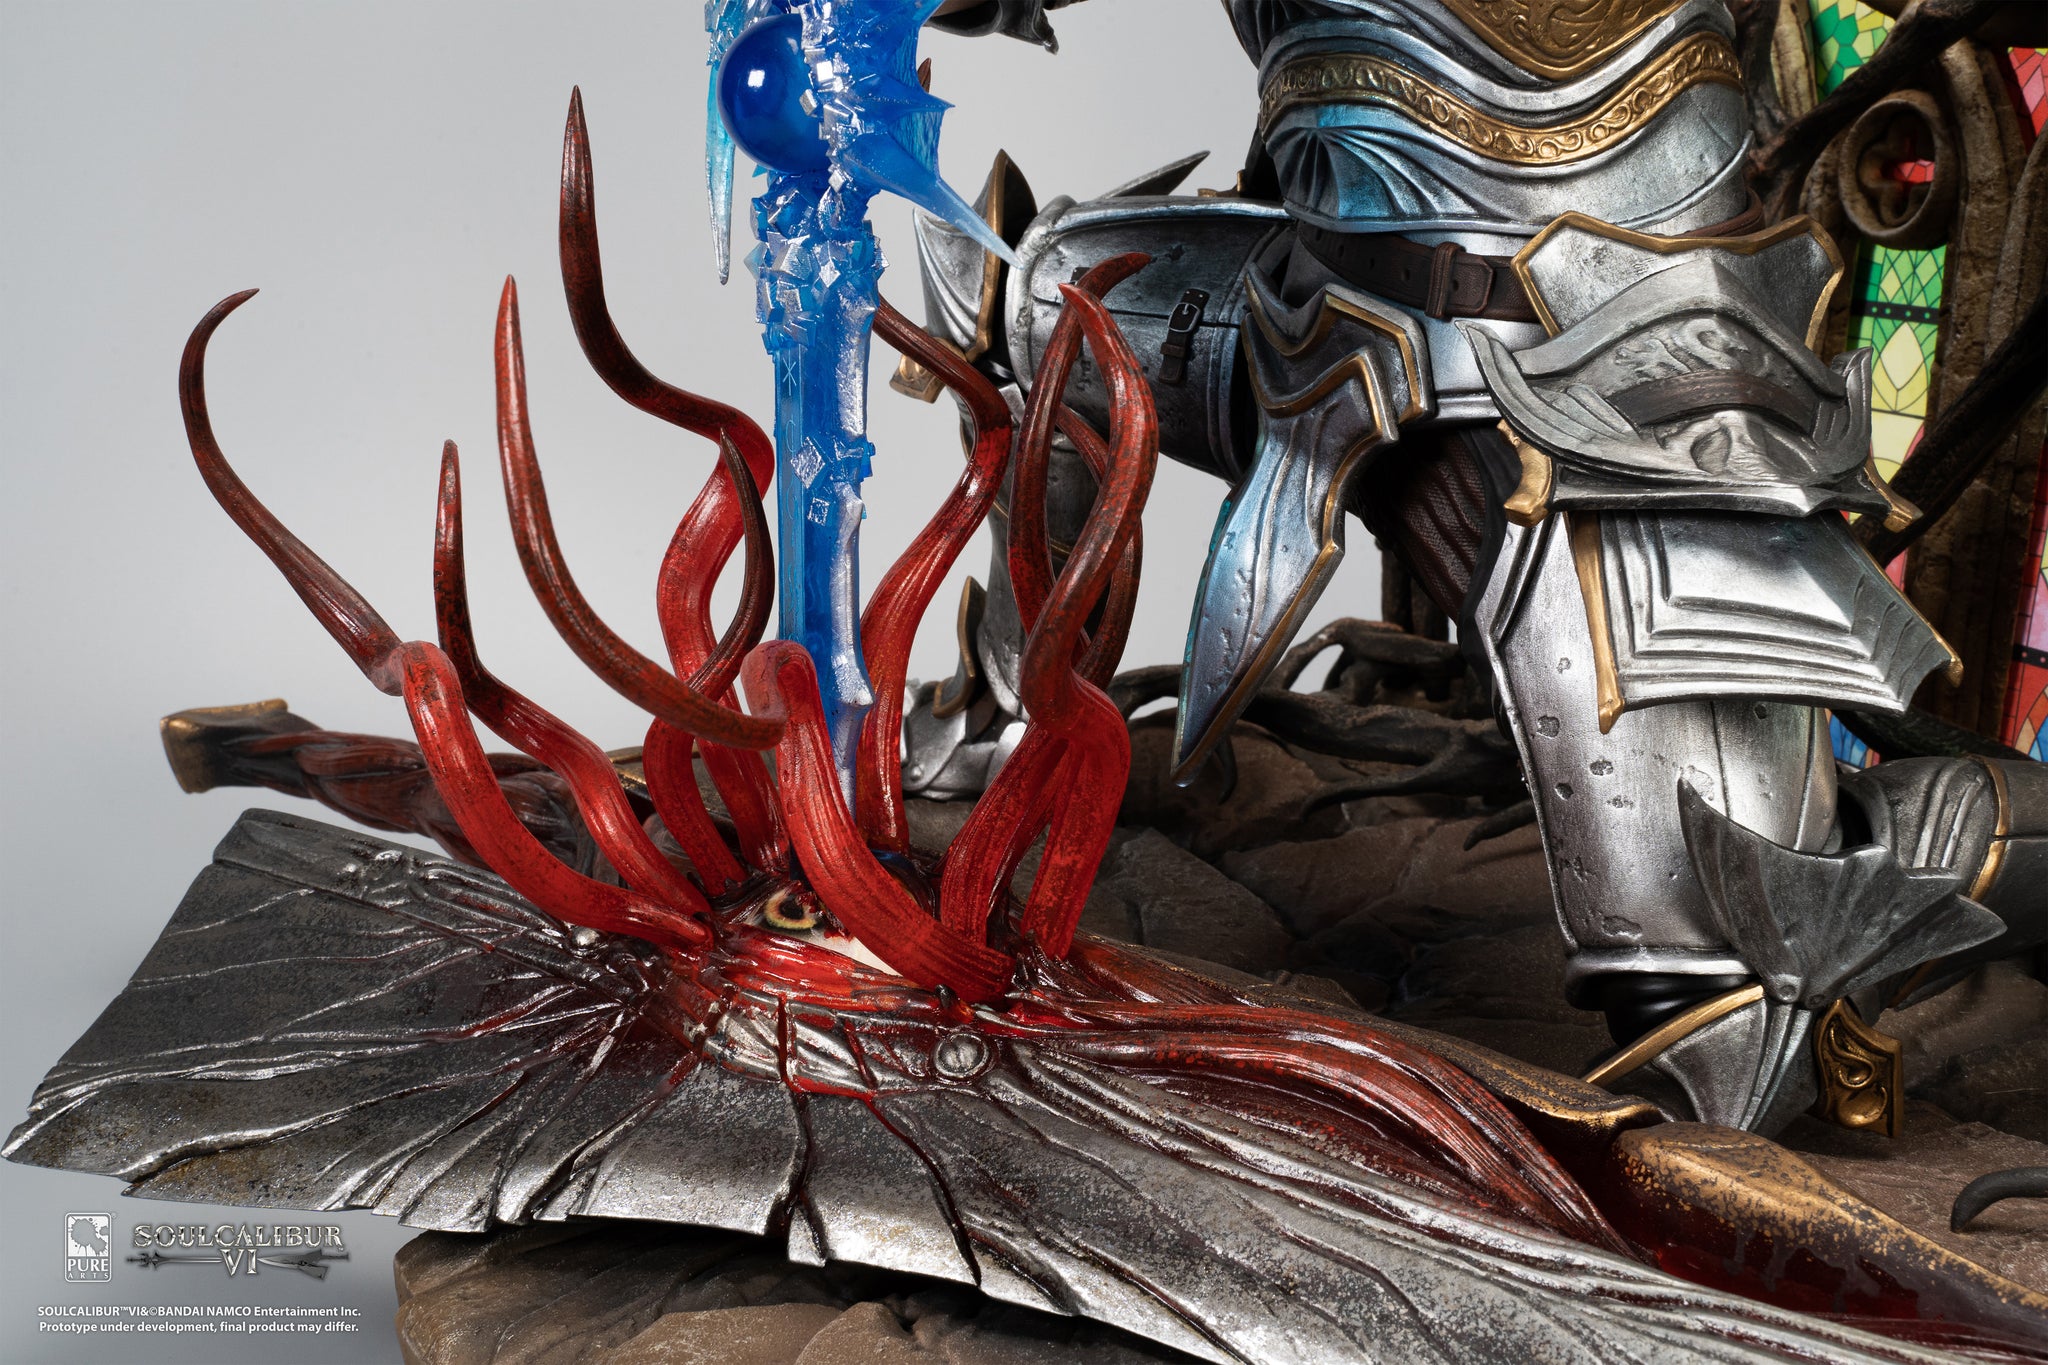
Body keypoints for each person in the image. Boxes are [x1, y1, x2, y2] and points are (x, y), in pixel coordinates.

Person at [900, 0, 2045, 1133]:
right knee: (1033, 295)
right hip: (1319, 315)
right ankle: (1010, 719)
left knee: (1746, 969)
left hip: (1621, 377)